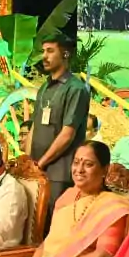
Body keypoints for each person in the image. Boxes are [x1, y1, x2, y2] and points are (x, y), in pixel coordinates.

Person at [0, 141, 129, 257]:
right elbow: (49, 242)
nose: (79, 170)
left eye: (88, 164)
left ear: (105, 170)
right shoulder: (67, 197)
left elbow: (103, 255)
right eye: (76, 162)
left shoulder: (113, 207)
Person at [29, 35, 91, 214]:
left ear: (65, 54)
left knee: (51, 223)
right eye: (43, 51)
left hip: (59, 173)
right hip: (37, 169)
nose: (44, 56)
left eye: (50, 51)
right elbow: (35, 126)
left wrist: (41, 163)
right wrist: (29, 162)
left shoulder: (76, 89)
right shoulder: (44, 88)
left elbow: (67, 134)